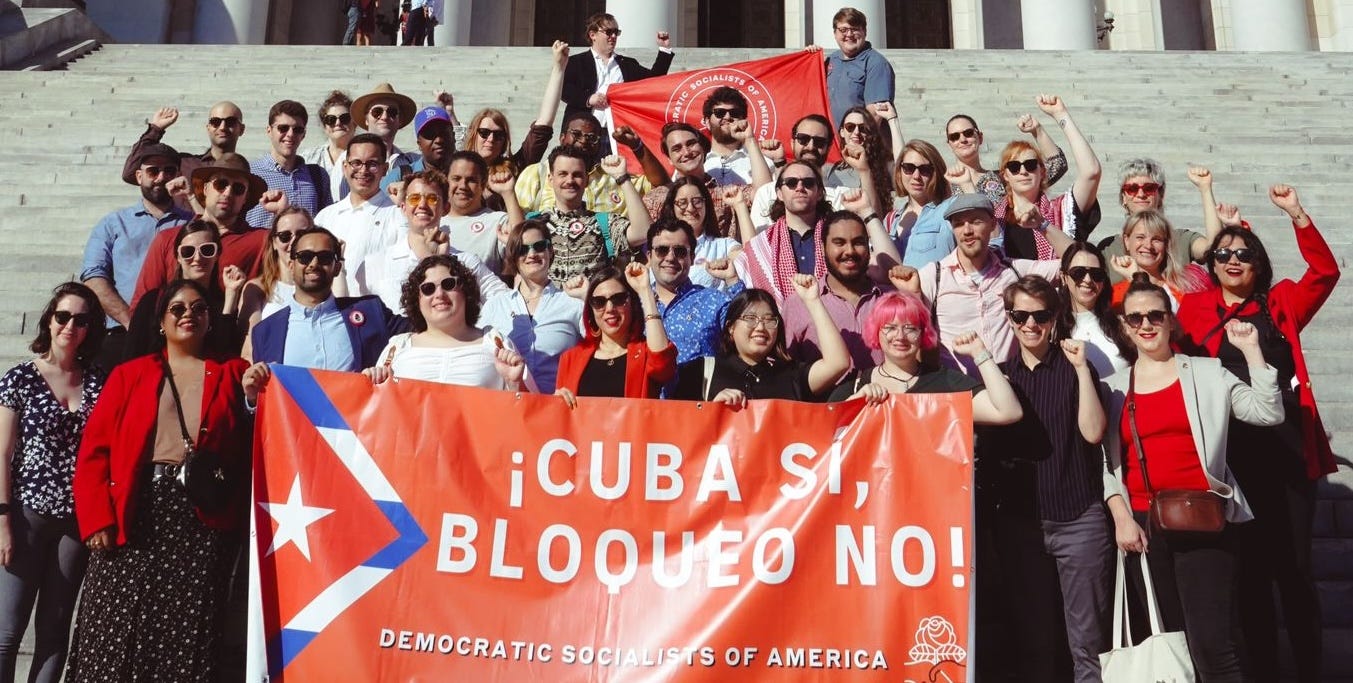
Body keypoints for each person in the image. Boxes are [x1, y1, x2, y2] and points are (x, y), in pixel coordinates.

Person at [1176, 185, 1338, 682]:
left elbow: (1325, 273)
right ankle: (1263, 669)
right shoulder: (1195, 308)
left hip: (1287, 453)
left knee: (1292, 570)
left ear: (1258, 264)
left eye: (1243, 253)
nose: (1231, 259)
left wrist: (1297, 215)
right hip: (1231, 458)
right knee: (1247, 575)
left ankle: (1310, 668)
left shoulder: (1281, 302)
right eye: (1222, 253)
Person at [67, 280, 264, 681]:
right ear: (161, 322)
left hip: (199, 519)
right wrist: (96, 520)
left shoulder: (232, 374)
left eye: (198, 308)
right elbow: (94, 453)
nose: (188, 314)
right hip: (133, 509)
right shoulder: (129, 375)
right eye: (177, 309)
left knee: (184, 633)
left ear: (210, 320)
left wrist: (251, 398)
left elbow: (252, 435)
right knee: (111, 626)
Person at [1102, 273, 1283, 682]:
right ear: (1124, 328)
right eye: (1135, 319)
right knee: (1169, 647)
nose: (1145, 325)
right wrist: (1121, 516)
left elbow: (1267, 412)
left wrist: (1253, 351)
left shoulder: (1206, 371)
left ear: (1170, 320)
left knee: (1211, 646)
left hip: (1202, 520)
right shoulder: (1113, 387)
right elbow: (1107, 461)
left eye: (1154, 315)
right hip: (1144, 530)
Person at [977, 277, 1111, 683]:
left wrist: (1082, 372)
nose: (1030, 324)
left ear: (1055, 318)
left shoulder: (1077, 369)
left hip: (1078, 518)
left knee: (1087, 642)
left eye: (1040, 315)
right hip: (1021, 525)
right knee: (1033, 641)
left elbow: (1092, 432)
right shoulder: (1000, 377)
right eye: (1021, 315)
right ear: (1009, 318)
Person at [0, 284, 106, 683]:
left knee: (55, 632)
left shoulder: (99, 379)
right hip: (27, 515)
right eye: (63, 316)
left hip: (77, 520)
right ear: (49, 319)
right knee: (7, 632)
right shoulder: (21, 379)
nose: (71, 326)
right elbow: (2, 453)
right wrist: (3, 519)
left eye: (81, 320)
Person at [899, 193, 1072, 375]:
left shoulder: (1013, 271)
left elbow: (1078, 264)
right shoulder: (933, 276)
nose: (967, 231)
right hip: (958, 392)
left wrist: (1042, 225)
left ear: (992, 224)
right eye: (958, 224)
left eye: (975, 221)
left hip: (1010, 386)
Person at [831, 291, 1022, 426]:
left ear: (923, 334)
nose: (900, 336)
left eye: (910, 328)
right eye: (889, 327)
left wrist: (980, 353)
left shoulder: (945, 381)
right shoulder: (858, 385)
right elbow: (825, 433)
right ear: (876, 332)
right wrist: (855, 402)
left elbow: (1008, 412)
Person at [83, 143, 193, 366]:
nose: (161, 177)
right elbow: (93, 277)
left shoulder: (191, 224)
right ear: (139, 176)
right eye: (153, 171)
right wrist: (130, 321)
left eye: (169, 171)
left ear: (178, 175)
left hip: (178, 334)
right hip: (121, 333)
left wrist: (191, 198)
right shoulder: (114, 223)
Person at [132, 154, 279, 312]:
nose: (227, 193)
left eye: (238, 188)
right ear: (205, 188)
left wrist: (281, 211)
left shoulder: (262, 240)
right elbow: (143, 303)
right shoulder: (168, 238)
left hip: (231, 333)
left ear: (245, 197)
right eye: (221, 184)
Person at [363, 255, 533, 390]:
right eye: (428, 289)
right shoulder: (397, 347)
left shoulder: (496, 342)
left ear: (465, 292)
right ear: (417, 300)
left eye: (448, 284)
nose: (439, 294)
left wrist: (515, 384)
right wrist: (370, 382)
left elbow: (530, 417)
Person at [737, 162, 898, 304]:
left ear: (820, 192)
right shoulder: (761, 246)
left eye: (808, 183)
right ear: (779, 193)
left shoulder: (839, 237)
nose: (800, 187)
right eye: (791, 183)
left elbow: (892, 270)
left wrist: (867, 210)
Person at [249, 227, 408, 370]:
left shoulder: (371, 311)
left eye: (324, 257)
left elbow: (424, 329)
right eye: (305, 257)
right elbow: (263, 394)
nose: (314, 264)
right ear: (291, 266)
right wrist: (250, 399)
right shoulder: (265, 331)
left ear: (337, 268)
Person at [671, 278, 850, 404]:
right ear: (730, 327)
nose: (760, 327)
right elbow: (679, 428)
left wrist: (813, 301)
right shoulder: (701, 372)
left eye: (769, 320)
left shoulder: (791, 374)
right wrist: (712, 410)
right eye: (750, 318)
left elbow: (838, 363)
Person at [359, 168, 508, 312]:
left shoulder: (467, 263)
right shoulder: (375, 263)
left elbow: (505, 302)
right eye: (415, 198)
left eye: (432, 199)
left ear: (445, 208)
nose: (422, 205)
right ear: (403, 207)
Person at [480, 220, 584, 394]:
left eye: (539, 246)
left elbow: (599, 349)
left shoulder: (573, 302)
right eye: (522, 249)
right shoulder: (495, 306)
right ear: (513, 256)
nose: (532, 254)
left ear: (550, 251)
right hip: (509, 408)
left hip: (559, 407)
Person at [992, 95, 1102, 259]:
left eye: (1030, 165)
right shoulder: (993, 217)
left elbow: (1091, 172)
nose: (1023, 171)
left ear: (1042, 171)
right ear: (1005, 175)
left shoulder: (1062, 211)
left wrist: (1060, 114)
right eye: (1014, 167)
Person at [782, 210, 890, 372]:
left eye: (858, 242)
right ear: (823, 247)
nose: (850, 251)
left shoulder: (890, 299)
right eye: (839, 243)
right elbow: (786, 371)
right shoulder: (798, 304)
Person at [125, 220, 246, 361]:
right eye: (188, 251)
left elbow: (225, 356)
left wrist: (231, 296)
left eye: (207, 250)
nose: (197, 257)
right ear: (178, 257)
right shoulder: (153, 301)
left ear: (217, 254)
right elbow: (131, 356)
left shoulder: (225, 305)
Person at [554, 264, 676, 403]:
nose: (610, 308)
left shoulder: (646, 353)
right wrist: (558, 403)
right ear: (591, 309)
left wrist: (645, 290)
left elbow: (663, 367)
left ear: (633, 304)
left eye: (618, 299)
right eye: (599, 302)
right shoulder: (570, 358)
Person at [529, 146, 651, 284]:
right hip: (548, 304)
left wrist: (622, 177)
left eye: (577, 175)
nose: (570, 180)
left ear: (587, 180)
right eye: (563, 174)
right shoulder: (534, 223)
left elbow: (643, 232)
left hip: (591, 304)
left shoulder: (603, 223)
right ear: (550, 179)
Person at [1101, 161, 1230, 284]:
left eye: (1149, 188)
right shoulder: (1108, 247)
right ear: (1123, 197)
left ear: (1161, 195)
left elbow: (1214, 248)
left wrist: (1205, 188)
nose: (1140, 194)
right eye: (1132, 189)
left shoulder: (1181, 239)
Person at [641, 122, 771, 241]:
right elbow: (643, 242)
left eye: (691, 143)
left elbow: (764, 194)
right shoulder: (655, 199)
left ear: (703, 148)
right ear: (669, 159)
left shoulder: (727, 194)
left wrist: (749, 140)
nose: (686, 152)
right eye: (677, 149)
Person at [561, 12, 673, 146]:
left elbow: (653, 81)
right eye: (608, 32)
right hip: (582, 135)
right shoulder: (575, 62)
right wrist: (589, 99)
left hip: (616, 135)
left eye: (616, 32)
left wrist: (664, 49)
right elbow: (563, 90)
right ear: (593, 35)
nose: (613, 36)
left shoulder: (627, 64)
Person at [455, 41, 569, 174]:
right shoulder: (455, 169)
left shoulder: (514, 168)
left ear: (505, 141)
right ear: (473, 134)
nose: (491, 139)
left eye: (498, 135)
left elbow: (543, 125)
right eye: (484, 133)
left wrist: (559, 68)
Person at [514, 112, 655, 215]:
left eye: (592, 137)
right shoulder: (536, 174)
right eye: (576, 134)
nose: (583, 141)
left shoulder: (614, 176)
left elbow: (659, 186)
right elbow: (517, 220)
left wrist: (637, 146)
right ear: (562, 138)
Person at [313, 134, 402, 295]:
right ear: (345, 167)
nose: (363, 170)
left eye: (372, 164)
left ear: (385, 169)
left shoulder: (398, 216)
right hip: (330, 313)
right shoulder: (325, 217)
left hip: (377, 313)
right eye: (356, 163)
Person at [646, 218, 735, 366]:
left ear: (692, 258)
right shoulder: (634, 305)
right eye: (662, 250)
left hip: (700, 388)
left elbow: (746, 328)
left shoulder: (713, 301)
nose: (670, 257)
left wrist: (732, 280)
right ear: (649, 256)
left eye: (680, 251)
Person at [749, 115, 856, 229]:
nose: (810, 147)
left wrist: (865, 171)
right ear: (792, 143)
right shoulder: (766, 193)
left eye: (819, 142)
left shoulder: (842, 197)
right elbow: (756, 243)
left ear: (828, 148)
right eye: (803, 139)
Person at [944, 112, 1068, 205]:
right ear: (949, 144)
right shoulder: (943, 184)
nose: (962, 139)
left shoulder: (1003, 178)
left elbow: (1057, 165)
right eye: (954, 137)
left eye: (968, 133)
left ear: (980, 137)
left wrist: (1038, 131)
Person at [244, 100, 331, 228]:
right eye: (283, 128)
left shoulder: (318, 176)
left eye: (297, 129)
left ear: (304, 134)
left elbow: (326, 222)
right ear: (269, 130)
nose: (290, 134)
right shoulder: (250, 173)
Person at [121, 102, 247, 189]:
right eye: (216, 122)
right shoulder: (184, 165)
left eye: (230, 122)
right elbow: (130, 173)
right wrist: (156, 129)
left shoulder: (248, 172)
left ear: (241, 129)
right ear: (208, 128)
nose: (222, 127)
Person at [438, 151, 524, 274]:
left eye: (471, 180)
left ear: (483, 184)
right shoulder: (433, 221)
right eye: (456, 178)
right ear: (446, 181)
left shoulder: (498, 221)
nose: (463, 186)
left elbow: (522, 245)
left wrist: (508, 193)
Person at [1108, 209, 1212, 309]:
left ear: (1166, 244)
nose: (1148, 245)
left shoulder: (1189, 285)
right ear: (1126, 241)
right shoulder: (1115, 296)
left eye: (1156, 239)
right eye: (1140, 237)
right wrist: (1134, 279)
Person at [239, 207, 311, 346]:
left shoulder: (325, 285)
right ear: (274, 243)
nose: (294, 242)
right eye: (285, 236)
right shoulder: (257, 288)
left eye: (302, 234)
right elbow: (249, 347)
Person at [657, 176, 743, 289]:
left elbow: (749, 256)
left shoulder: (723, 246)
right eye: (682, 202)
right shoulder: (660, 248)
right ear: (672, 208)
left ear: (706, 205)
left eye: (697, 201)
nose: (690, 208)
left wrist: (740, 205)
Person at [885, 139, 958, 268]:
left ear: (936, 173)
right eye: (909, 168)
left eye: (925, 170)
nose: (916, 176)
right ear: (899, 171)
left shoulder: (950, 209)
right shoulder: (890, 219)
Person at [1059, 241, 1127, 378]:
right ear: (1064, 277)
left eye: (1096, 274)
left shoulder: (1122, 325)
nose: (1088, 280)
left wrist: (1133, 275)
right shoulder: (1050, 327)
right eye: (1078, 272)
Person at [823, 7, 895, 127]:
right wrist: (809, 55)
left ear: (864, 32)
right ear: (835, 33)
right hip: (832, 141)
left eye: (855, 29)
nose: (849, 34)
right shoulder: (831, 60)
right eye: (843, 30)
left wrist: (857, 141)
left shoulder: (876, 63)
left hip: (858, 140)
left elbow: (876, 114)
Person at [380, 105, 456, 192]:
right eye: (429, 134)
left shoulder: (467, 176)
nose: (439, 140)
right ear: (419, 143)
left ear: (453, 137)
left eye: (444, 133)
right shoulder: (399, 176)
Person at [827, 106, 893, 208]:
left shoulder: (885, 167)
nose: (856, 132)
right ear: (842, 132)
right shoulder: (830, 170)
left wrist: (893, 120)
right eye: (850, 127)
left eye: (863, 128)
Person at [301, 91, 355, 203]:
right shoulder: (308, 158)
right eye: (331, 119)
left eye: (344, 118)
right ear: (325, 126)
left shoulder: (366, 156)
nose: (338, 123)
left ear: (354, 122)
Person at [351, 83, 419, 169]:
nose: (384, 117)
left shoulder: (411, 163)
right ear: (366, 119)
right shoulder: (350, 158)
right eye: (377, 112)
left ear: (400, 120)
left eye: (392, 112)